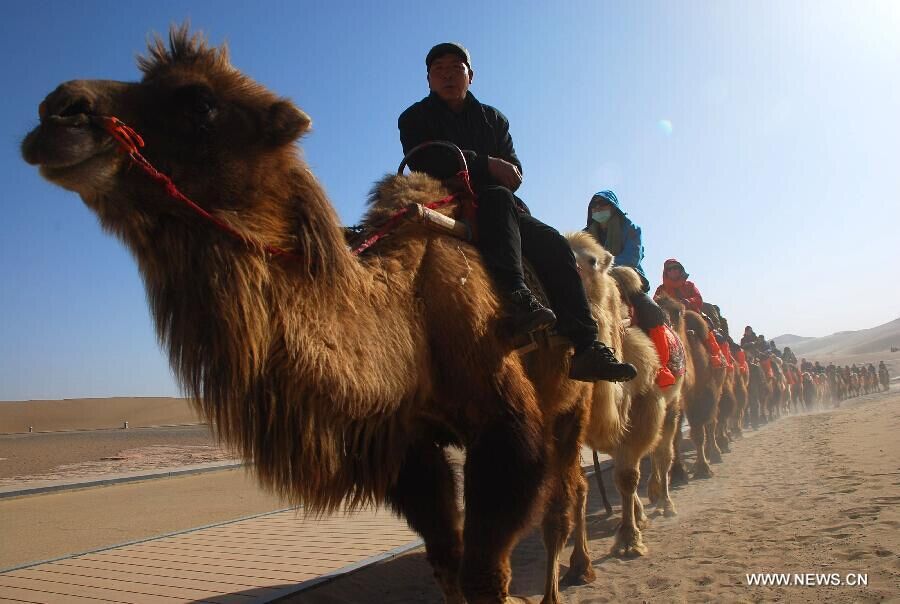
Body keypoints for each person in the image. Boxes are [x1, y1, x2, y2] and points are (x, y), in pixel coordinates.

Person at [398, 42, 635, 383]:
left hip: (502, 206)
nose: (448, 75)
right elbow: (425, 158)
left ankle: (586, 346)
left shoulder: (494, 120)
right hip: (443, 199)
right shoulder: (414, 118)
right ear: (429, 80)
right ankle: (516, 298)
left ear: (470, 75)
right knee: (495, 196)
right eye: (439, 70)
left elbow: (514, 172)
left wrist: (492, 169)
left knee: (553, 243)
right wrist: (485, 164)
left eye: (456, 67)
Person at [653, 258, 724, 367]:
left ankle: (715, 355)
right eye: (670, 269)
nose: (673, 271)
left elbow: (698, 299)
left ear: (680, 269)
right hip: (671, 320)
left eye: (676, 267)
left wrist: (688, 302)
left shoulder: (689, 285)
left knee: (704, 328)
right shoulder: (661, 289)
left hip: (691, 316)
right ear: (666, 272)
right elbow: (655, 304)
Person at [584, 191, 649, 291]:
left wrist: (600, 267)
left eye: (602, 203)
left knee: (647, 305)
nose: (597, 207)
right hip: (593, 282)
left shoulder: (631, 228)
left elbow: (632, 258)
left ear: (613, 207)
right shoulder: (584, 236)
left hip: (626, 280)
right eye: (594, 205)